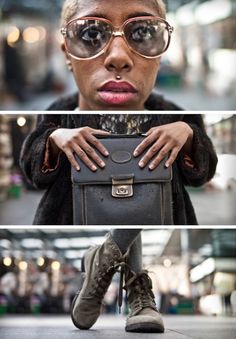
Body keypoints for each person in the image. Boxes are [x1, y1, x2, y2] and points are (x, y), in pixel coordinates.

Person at [20, 0, 218, 333]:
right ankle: (135, 288)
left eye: (142, 33)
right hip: (70, 208)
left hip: (161, 204)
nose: (118, 58)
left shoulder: (177, 113)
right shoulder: (57, 111)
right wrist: (55, 138)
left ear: (160, 52)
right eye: (91, 33)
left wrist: (188, 135)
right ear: (66, 50)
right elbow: (31, 171)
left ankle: (105, 261)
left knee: (138, 209)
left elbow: (203, 172)